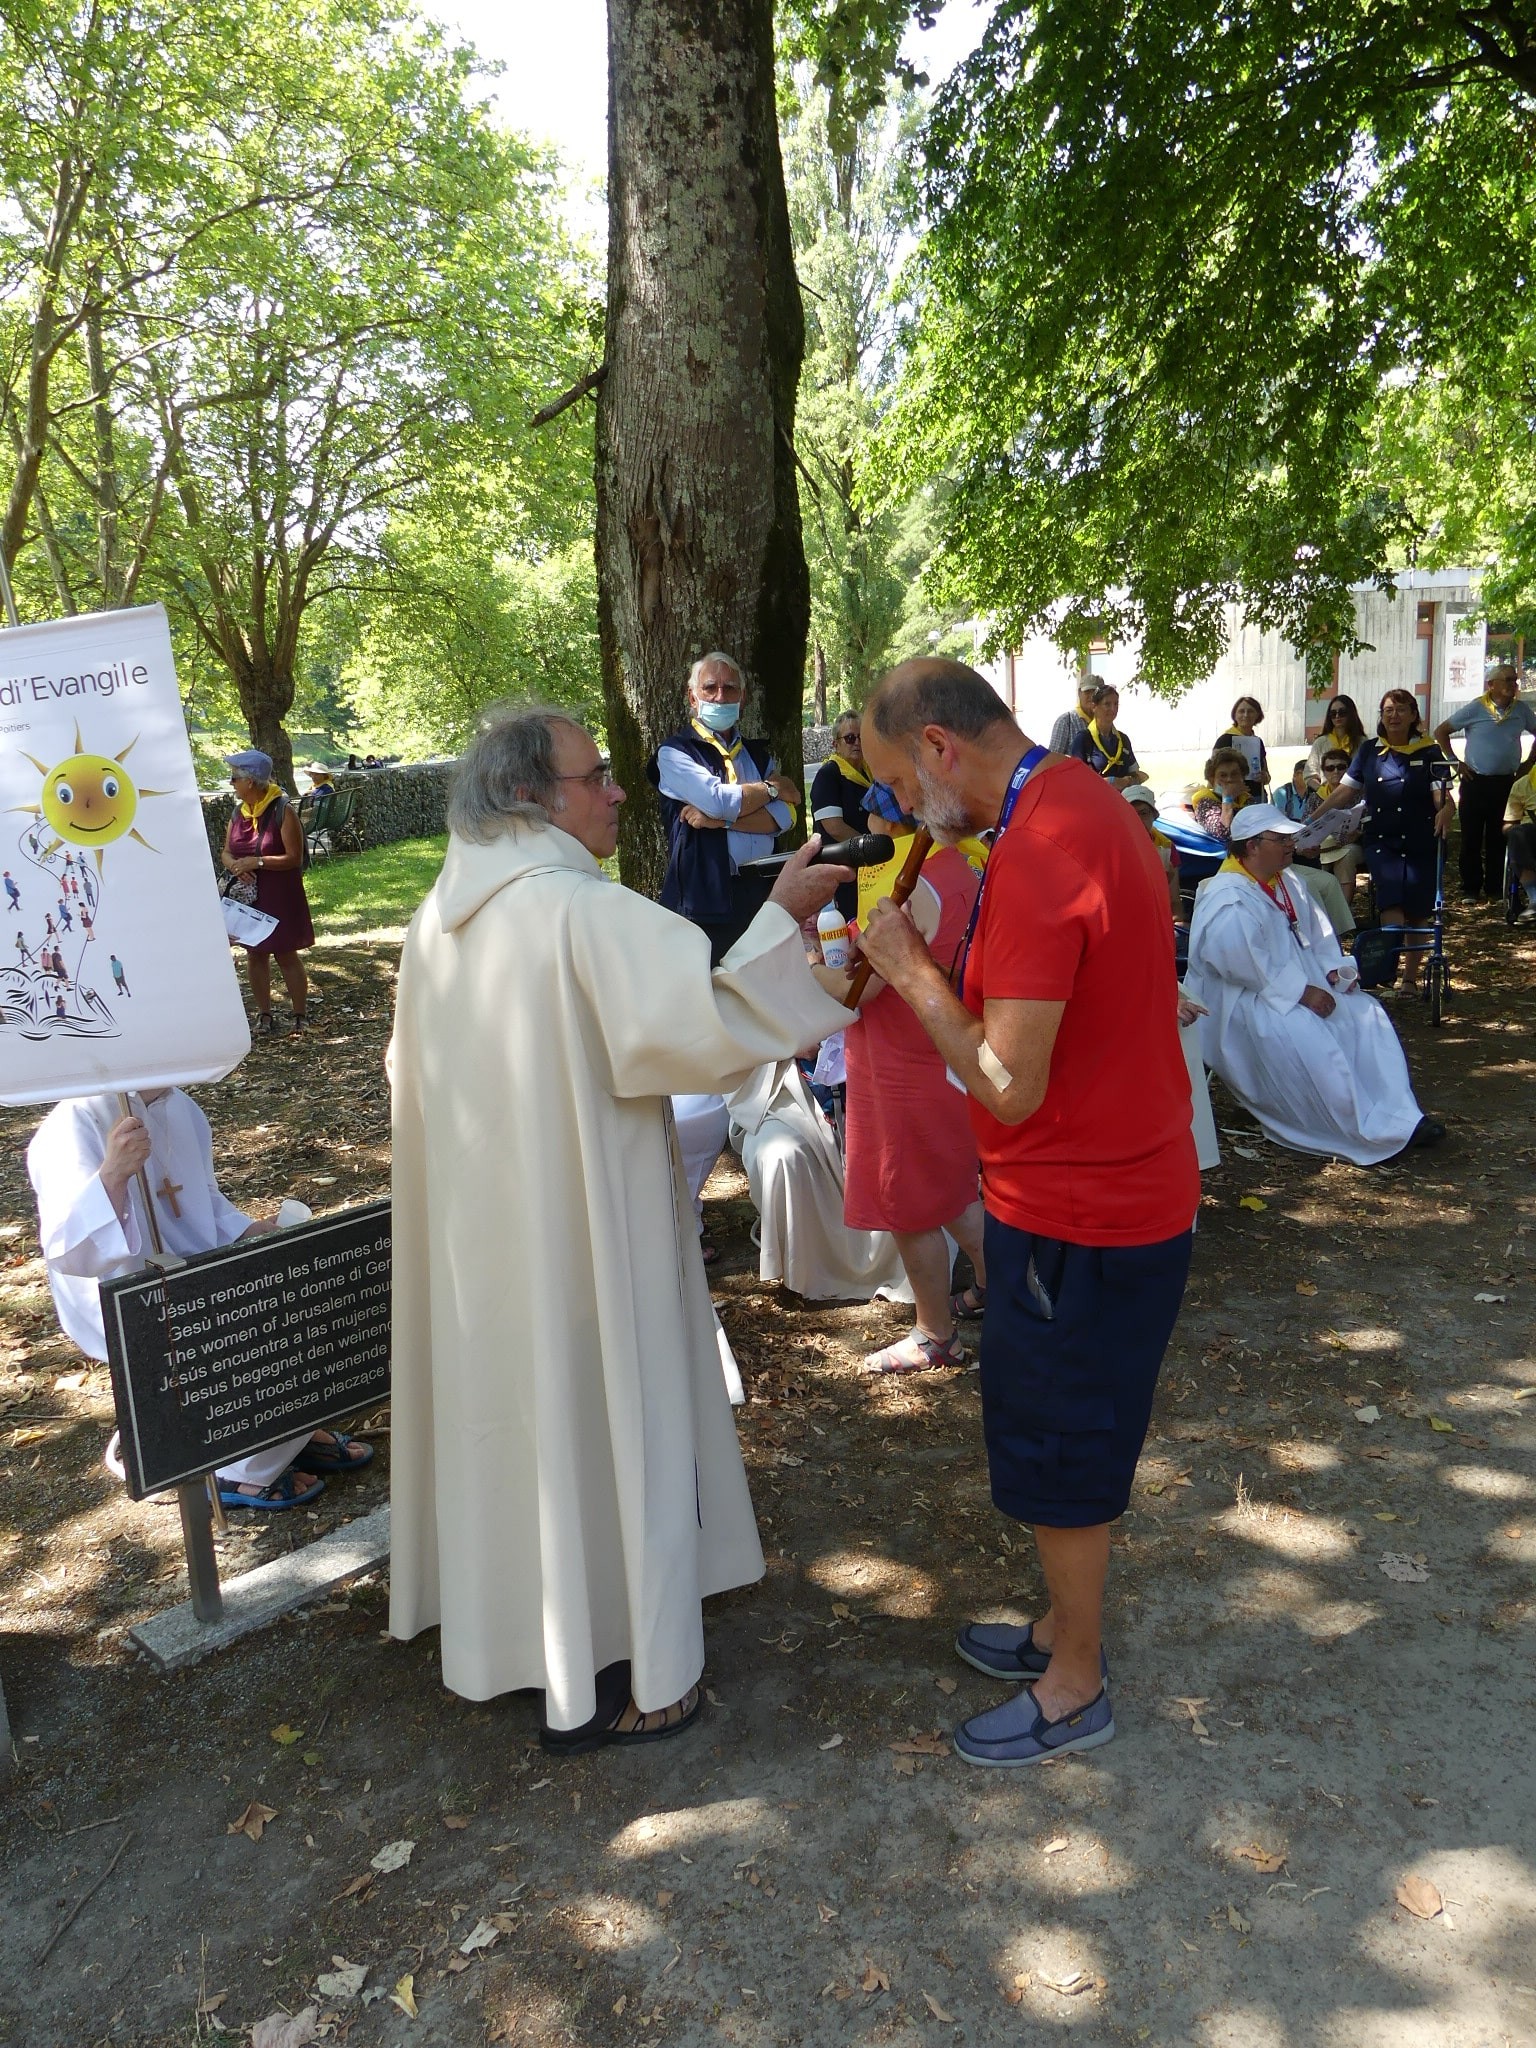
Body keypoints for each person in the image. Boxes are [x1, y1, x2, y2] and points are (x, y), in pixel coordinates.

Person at [387, 701, 853, 1751]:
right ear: (529, 795)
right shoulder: (575, 910)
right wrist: (781, 913)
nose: (614, 791)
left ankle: (524, 1634)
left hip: (485, 1241)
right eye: (594, 775)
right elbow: (710, 1025)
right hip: (587, 1232)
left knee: (517, 1419)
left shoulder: (435, 920)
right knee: (611, 1405)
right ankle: (655, 1662)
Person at [854, 660, 1198, 1768]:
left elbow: (1006, 1081)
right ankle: (1059, 1623)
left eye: (904, 782)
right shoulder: (1062, 803)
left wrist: (908, 968)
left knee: (1064, 1442)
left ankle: (1077, 1678)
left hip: (1085, 1206)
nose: (906, 811)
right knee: (1063, 1425)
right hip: (1094, 1187)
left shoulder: (1046, 846)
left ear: (944, 747)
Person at [27, 1090, 374, 1507]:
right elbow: (71, 1252)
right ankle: (241, 1468)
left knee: (316, 1289)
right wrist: (113, 1174)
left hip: (196, 1271)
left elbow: (202, 1198)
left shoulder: (182, 1108)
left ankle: (285, 1434)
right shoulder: (73, 1123)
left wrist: (246, 1231)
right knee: (263, 1323)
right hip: (128, 1291)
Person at [1186, 805, 1442, 1166]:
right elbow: (1236, 964)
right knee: (1305, 1033)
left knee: (1366, 1014)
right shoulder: (1228, 894)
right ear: (1253, 846)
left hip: (1296, 984)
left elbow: (1320, 937)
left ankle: (1397, 1115)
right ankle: (1352, 1129)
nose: (1292, 845)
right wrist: (1303, 993)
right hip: (1245, 1002)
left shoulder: (1287, 882)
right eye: (1282, 839)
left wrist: (1335, 971)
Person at [818, 839, 988, 1374]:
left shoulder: (916, 884)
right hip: (946, 1053)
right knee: (956, 1192)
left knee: (911, 1208)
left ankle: (936, 1335)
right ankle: (995, 1289)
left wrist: (803, 961)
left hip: (900, 1066)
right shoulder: (973, 864)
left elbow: (856, 990)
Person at [649, 653, 802, 965]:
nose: (720, 696)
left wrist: (723, 823)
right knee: (712, 996)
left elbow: (787, 817)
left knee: (765, 988)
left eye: (730, 688)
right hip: (706, 900)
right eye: (710, 688)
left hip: (762, 891)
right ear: (693, 698)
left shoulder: (758, 757)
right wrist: (770, 789)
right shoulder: (674, 753)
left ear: (742, 698)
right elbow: (718, 802)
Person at [1310, 689, 1454, 992]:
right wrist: (1313, 819)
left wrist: (1446, 811)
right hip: (1382, 839)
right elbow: (1345, 791)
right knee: (1391, 901)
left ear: (1413, 715)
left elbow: (1442, 796)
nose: (1394, 715)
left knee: (1417, 909)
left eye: (1401, 710)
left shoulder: (1429, 752)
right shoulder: (1369, 752)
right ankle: (1385, 970)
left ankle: (1410, 979)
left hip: (1420, 839)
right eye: (1388, 710)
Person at [221, 749, 315, 1035]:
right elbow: (225, 852)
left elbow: (295, 857)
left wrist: (258, 861)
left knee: (286, 954)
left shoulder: (281, 810)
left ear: (250, 781)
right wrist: (237, 866)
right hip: (249, 897)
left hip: (279, 892)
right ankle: (264, 1015)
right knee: (255, 954)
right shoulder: (238, 813)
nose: (231, 783)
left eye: (235, 777)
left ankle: (300, 1015)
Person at [1433, 664, 1536, 900]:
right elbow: (1441, 731)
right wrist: (1454, 761)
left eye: (1515, 680)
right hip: (1475, 780)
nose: (1513, 685)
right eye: (1508, 680)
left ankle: (1494, 887)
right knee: (1471, 835)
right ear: (1492, 685)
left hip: (1507, 782)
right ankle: (1470, 887)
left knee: (1499, 835)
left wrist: (1529, 762)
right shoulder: (1476, 708)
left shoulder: (1521, 710)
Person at [809, 710, 871, 920]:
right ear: (836, 744)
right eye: (850, 738)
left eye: (861, 737)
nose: (857, 743)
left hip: (867, 870)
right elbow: (834, 827)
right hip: (841, 870)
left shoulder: (870, 773)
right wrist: (869, 848)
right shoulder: (829, 775)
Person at [1293, 748, 1366, 898]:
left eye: (1341, 767)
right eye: (1330, 768)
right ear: (1323, 772)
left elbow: (1366, 822)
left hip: (1352, 845)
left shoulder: (1360, 795)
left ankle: (1342, 911)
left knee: (1347, 857)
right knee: (1311, 858)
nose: (1336, 771)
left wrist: (1359, 833)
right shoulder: (1315, 798)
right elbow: (1305, 826)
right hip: (1323, 847)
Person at [1123, 785, 1185, 924]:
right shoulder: (1114, 848)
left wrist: (1177, 924)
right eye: (1131, 813)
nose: (1138, 820)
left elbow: (1174, 901)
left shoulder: (1166, 848)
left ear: (1154, 815)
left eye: (1143, 813)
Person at [1068, 684, 1148, 789]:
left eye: (1116, 704)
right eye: (1107, 704)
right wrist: (1109, 782)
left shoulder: (1123, 739)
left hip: (1121, 800)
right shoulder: (1083, 739)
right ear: (1094, 707)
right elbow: (1077, 779)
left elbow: (1137, 775)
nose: (1113, 709)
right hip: (1095, 800)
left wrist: (1127, 781)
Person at [1189, 747, 1254, 843]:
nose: (1229, 779)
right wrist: (1228, 798)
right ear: (1212, 779)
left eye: (1234, 774)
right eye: (1223, 775)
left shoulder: (1247, 799)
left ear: (1242, 777)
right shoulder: (1205, 803)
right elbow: (1224, 833)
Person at [1211, 696, 1270, 797]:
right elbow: (1212, 774)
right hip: (1233, 799)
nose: (1246, 715)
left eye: (1250, 711)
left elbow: (1267, 774)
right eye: (1241, 711)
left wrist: (1265, 777)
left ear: (1258, 715)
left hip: (1257, 797)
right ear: (1235, 715)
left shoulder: (1258, 741)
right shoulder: (1224, 740)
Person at [1304, 695, 1368, 787]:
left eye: (1342, 712)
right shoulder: (1320, 742)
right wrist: (1324, 794)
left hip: (1355, 796)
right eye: (1333, 713)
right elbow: (1309, 775)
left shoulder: (1363, 743)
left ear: (1351, 713)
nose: (1337, 716)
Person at [1503, 760, 1536, 921]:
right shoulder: (1522, 785)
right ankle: (1535, 899)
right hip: (1531, 836)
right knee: (1517, 834)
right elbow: (1509, 824)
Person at [1048, 675, 1099, 757]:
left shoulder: (1105, 723)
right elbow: (1053, 759)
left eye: (1096, 692)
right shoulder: (1066, 721)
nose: (1092, 696)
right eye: (1087, 692)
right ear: (1079, 693)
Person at [1275, 758, 1318, 823]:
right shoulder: (1281, 793)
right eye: (1307, 775)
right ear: (1295, 775)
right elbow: (1277, 819)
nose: (1310, 778)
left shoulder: (1314, 793)